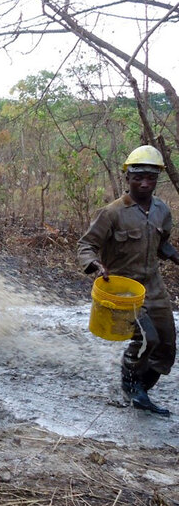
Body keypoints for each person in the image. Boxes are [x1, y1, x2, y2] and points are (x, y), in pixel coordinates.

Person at [78, 145, 179, 416]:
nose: (145, 183)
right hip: (125, 290)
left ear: (157, 179)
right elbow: (86, 244)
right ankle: (130, 385)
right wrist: (94, 264)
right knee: (148, 339)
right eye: (138, 178)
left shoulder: (161, 211)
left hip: (154, 287)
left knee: (167, 346)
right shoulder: (112, 212)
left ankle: (140, 391)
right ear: (127, 178)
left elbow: (163, 245)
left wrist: (175, 256)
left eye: (151, 178)